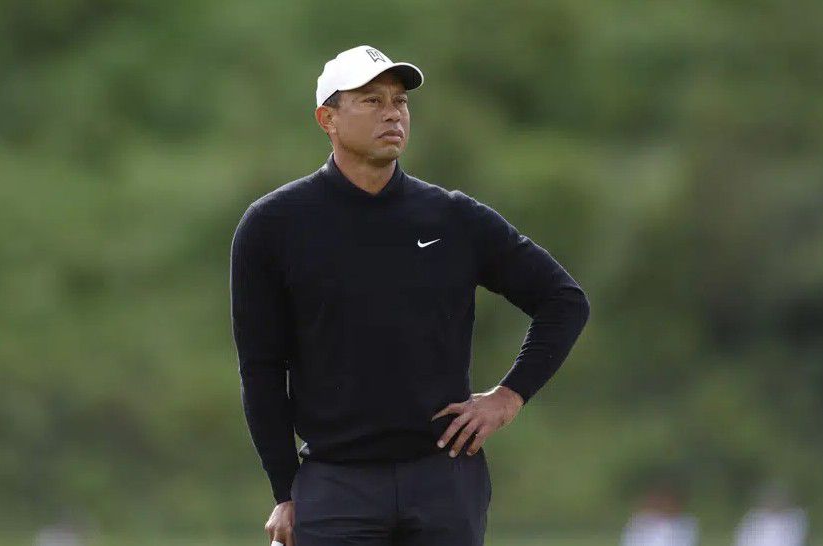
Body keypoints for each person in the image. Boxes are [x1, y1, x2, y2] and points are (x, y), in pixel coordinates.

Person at [230, 44, 590, 546]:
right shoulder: (273, 226)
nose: (392, 113)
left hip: (444, 479)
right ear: (327, 118)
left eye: (399, 101)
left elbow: (563, 300)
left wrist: (507, 398)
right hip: (336, 483)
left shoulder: (452, 217)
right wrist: (284, 492)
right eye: (371, 101)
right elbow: (262, 369)